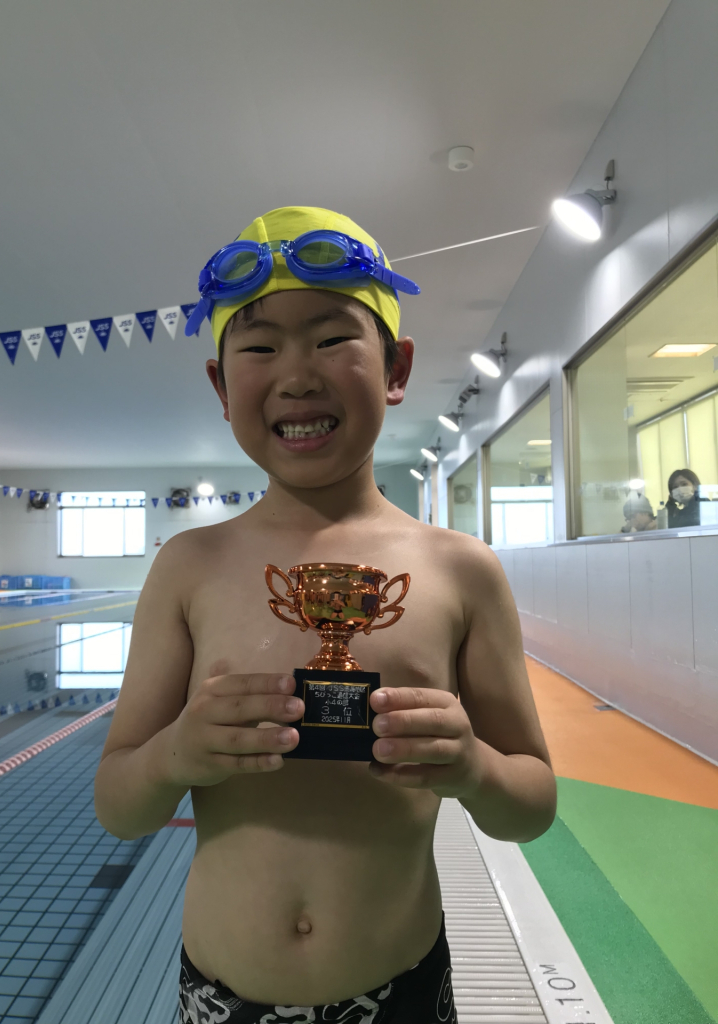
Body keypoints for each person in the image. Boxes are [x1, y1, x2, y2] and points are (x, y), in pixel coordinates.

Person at [93, 207, 557, 1024]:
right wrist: (176, 753)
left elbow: (533, 803)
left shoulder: (460, 570)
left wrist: (475, 769)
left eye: (333, 338)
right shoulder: (189, 566)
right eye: (260, 347)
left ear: (396, 368)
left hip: (402, 991)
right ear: (221, 387)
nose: (298, 375)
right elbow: (118, 807)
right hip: (221, 996)